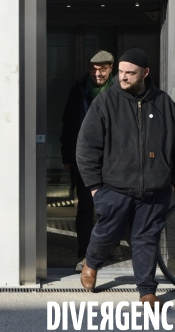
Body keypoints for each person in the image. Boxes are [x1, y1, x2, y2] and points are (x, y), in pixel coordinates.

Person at [76, 48, 175, 308]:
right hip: (114, 187)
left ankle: (147, 291)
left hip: (155, 189)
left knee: (146, 239)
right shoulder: (105, 102)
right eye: (121, 72)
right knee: (106, 233)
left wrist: (173, 182)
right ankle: (91, 264)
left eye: (130, 73)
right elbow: (86, 147)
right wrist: (95, 188)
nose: (123, 77)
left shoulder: (163, 103)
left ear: (145, 73)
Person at [60, 50, 123, 273]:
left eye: (103, 69)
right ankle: (84, 254)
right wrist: (67, 156)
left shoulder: (119, 91)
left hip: (114, 160)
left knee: (113, 207)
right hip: (85, 159)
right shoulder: (79, 90)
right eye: (94, 69)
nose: (98, 73)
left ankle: (112, 246)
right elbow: (68, 125)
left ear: (111, 69)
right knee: (85, 207)